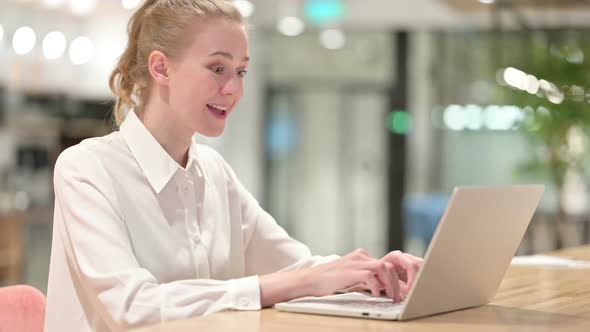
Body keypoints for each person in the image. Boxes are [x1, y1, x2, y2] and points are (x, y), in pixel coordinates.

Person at [44, 1, 423, 331]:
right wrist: (290, 283)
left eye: (240, 71)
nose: (233, 89)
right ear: (161, 68)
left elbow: (296, 266)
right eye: (217, 69)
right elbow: (131, 307)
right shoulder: (86, 168)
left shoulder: (212, 171)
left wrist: (369, 274)